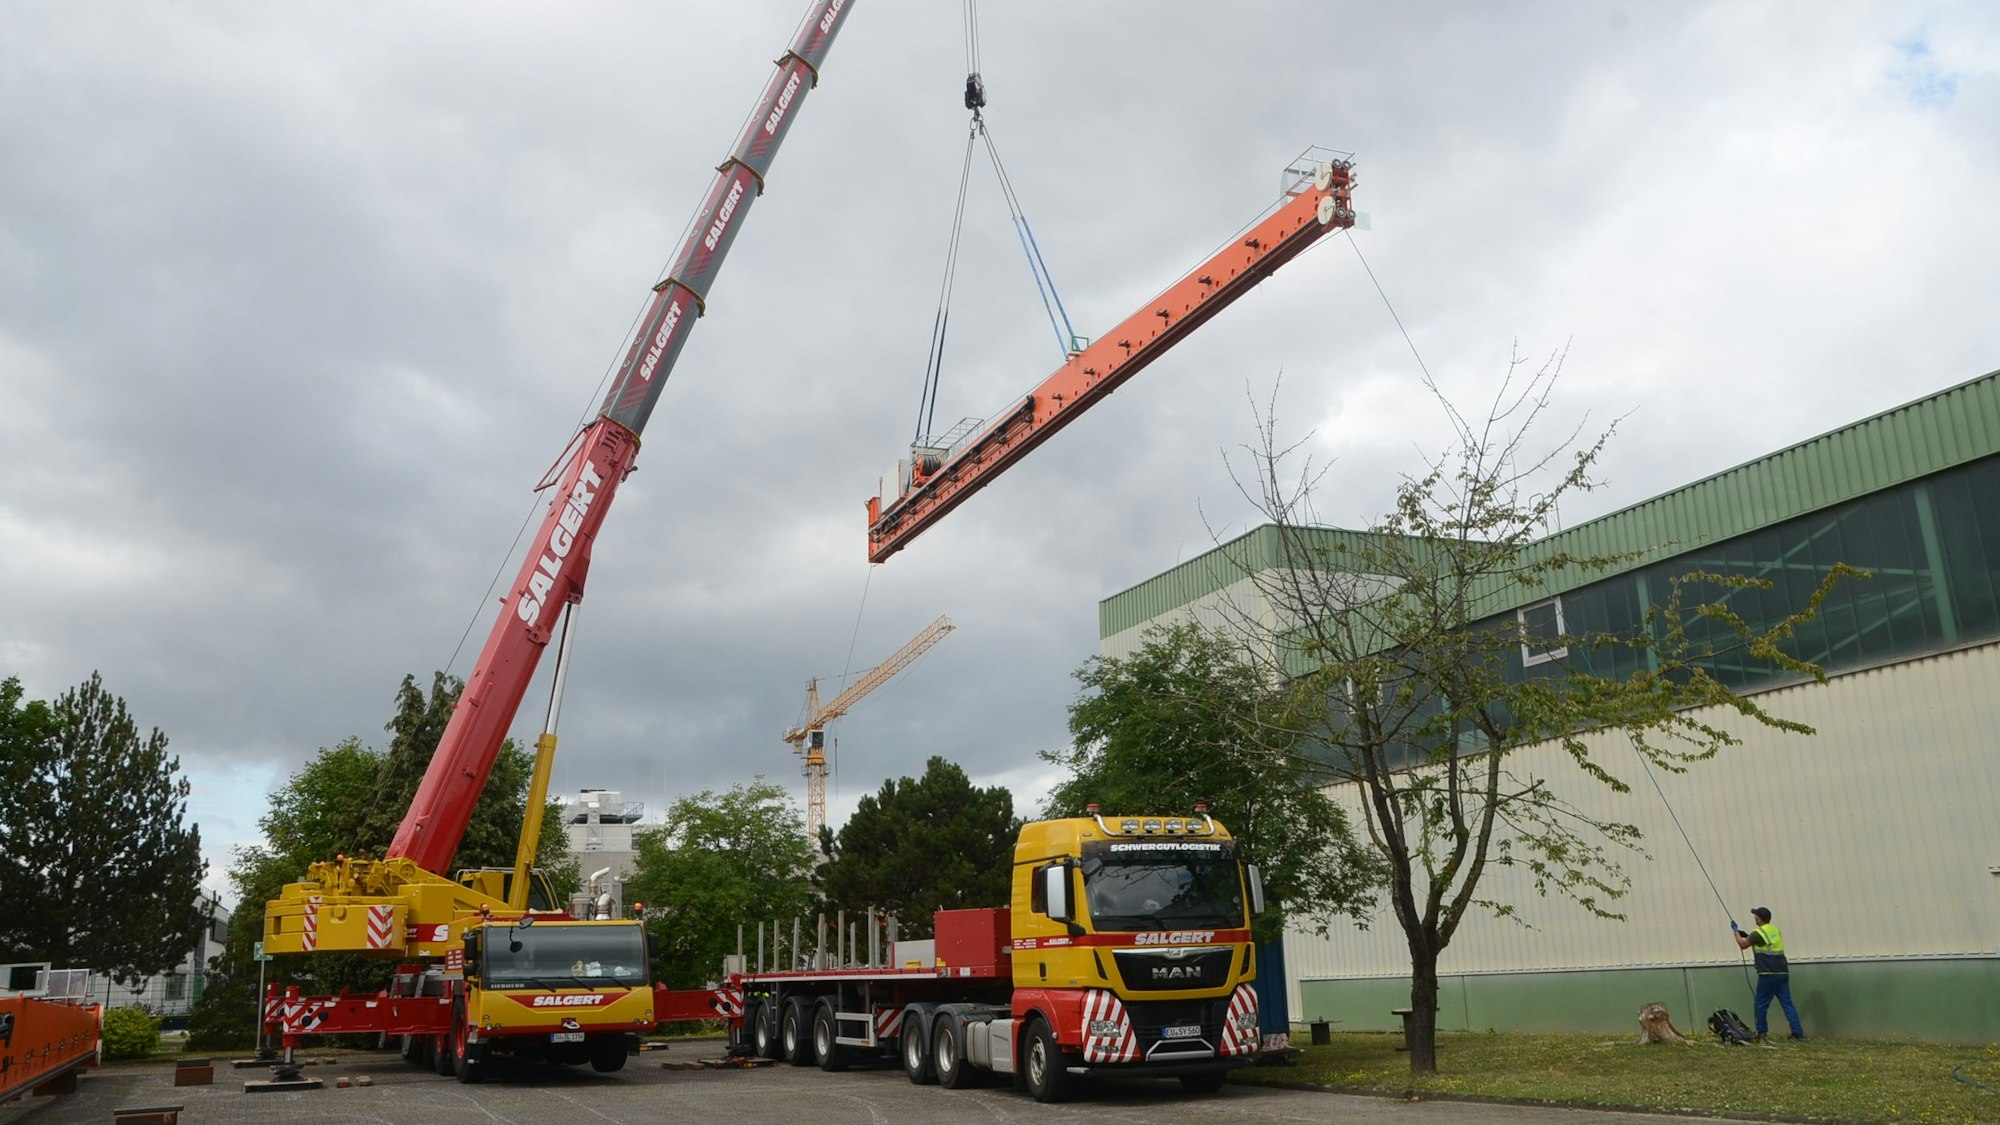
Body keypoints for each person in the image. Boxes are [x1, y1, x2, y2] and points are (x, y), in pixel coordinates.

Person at [1732, 907, 1804, 1041]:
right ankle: (1797, 1033)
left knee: (1761, 1004)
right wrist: (1747, 935)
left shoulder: (1758, 932)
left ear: (1759, 918)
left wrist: (1735, 932)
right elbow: (1764, 943)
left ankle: (1762, 1033)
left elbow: (1743, 944)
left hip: (1767, 973)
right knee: (1787, 1004)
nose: (1754, 917)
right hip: (1782, 972)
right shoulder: (1775, 930)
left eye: (1755, 916)